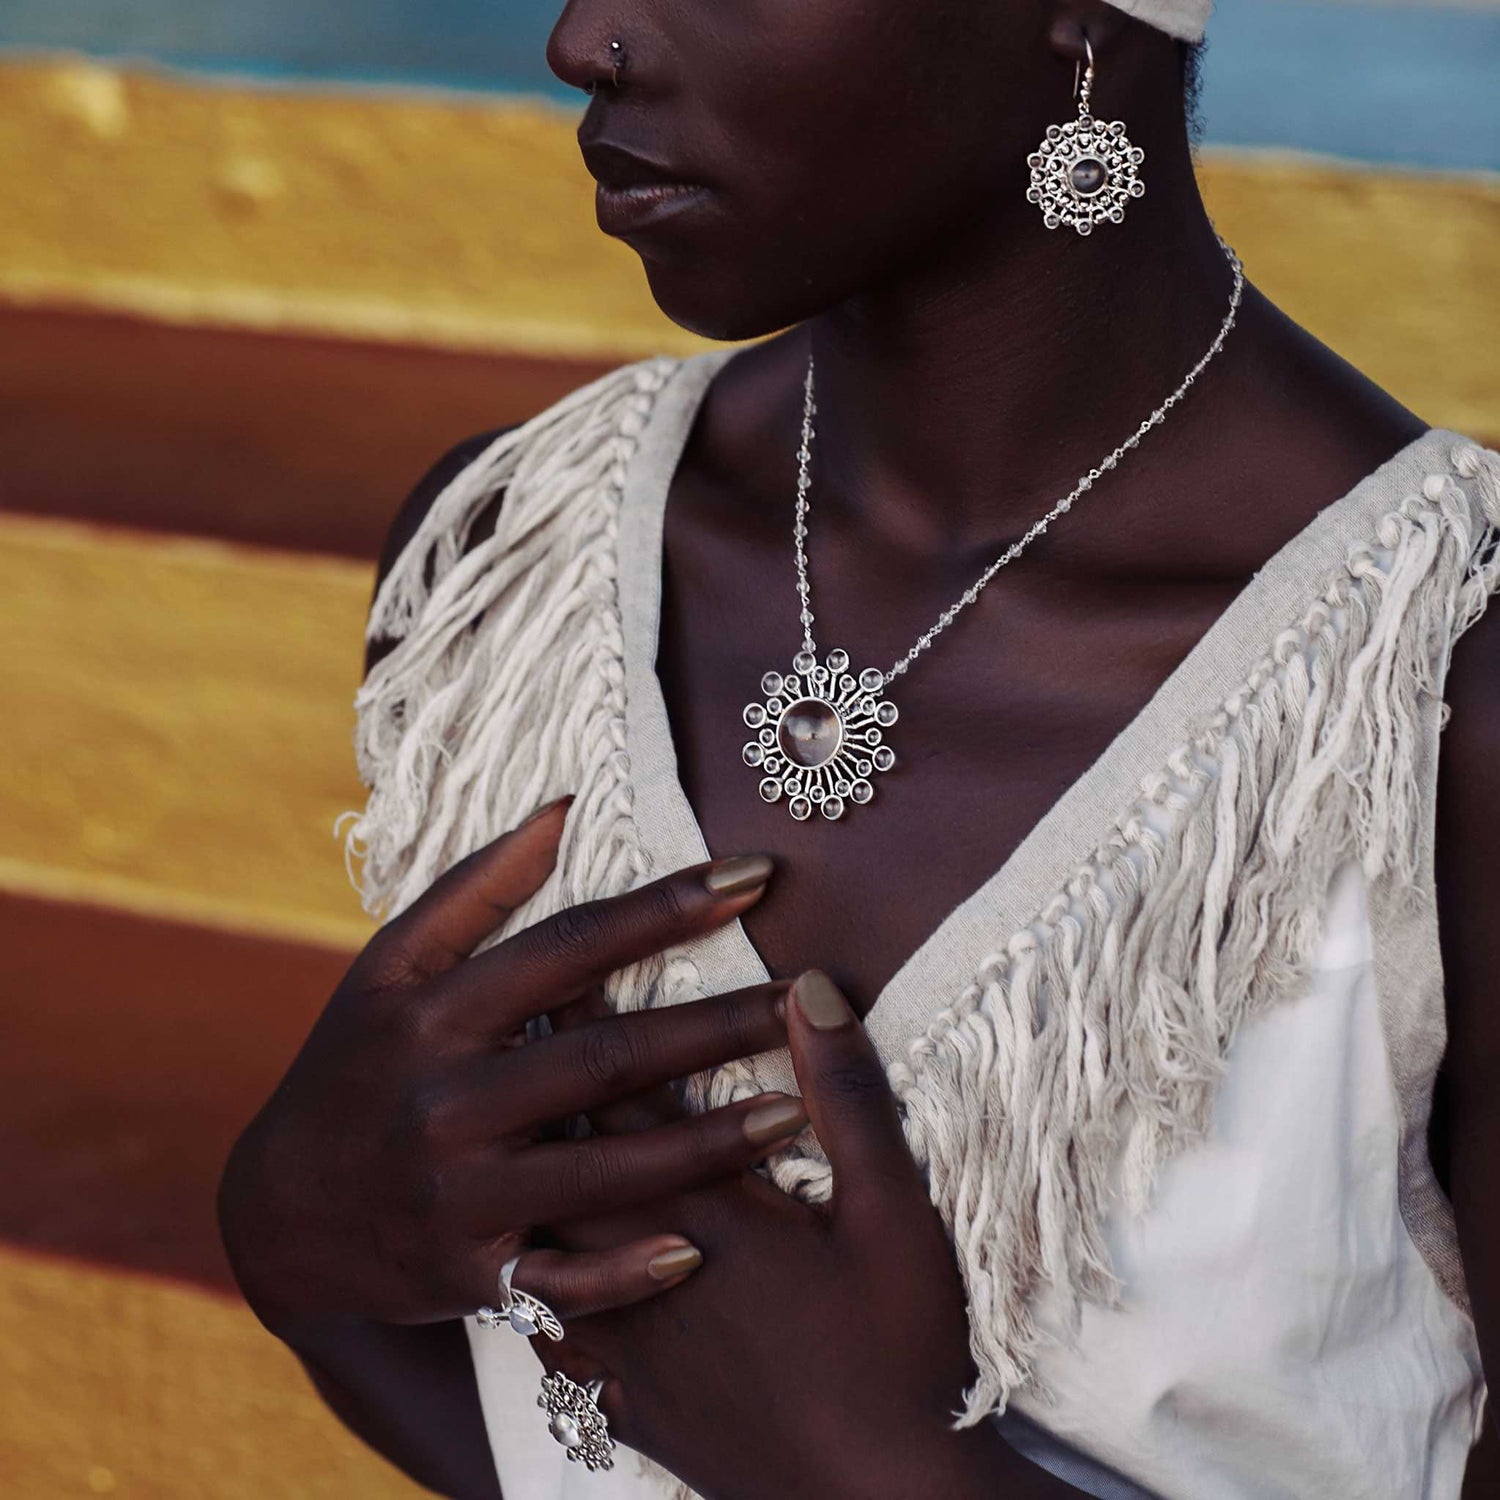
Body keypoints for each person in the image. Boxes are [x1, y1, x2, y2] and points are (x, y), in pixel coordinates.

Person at [217, 1, 1500, 1496]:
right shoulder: (513, 543)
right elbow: (528, 1428)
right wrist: (295, 1255)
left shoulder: (1440, 683)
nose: (584, 40)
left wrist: (886, 1476)